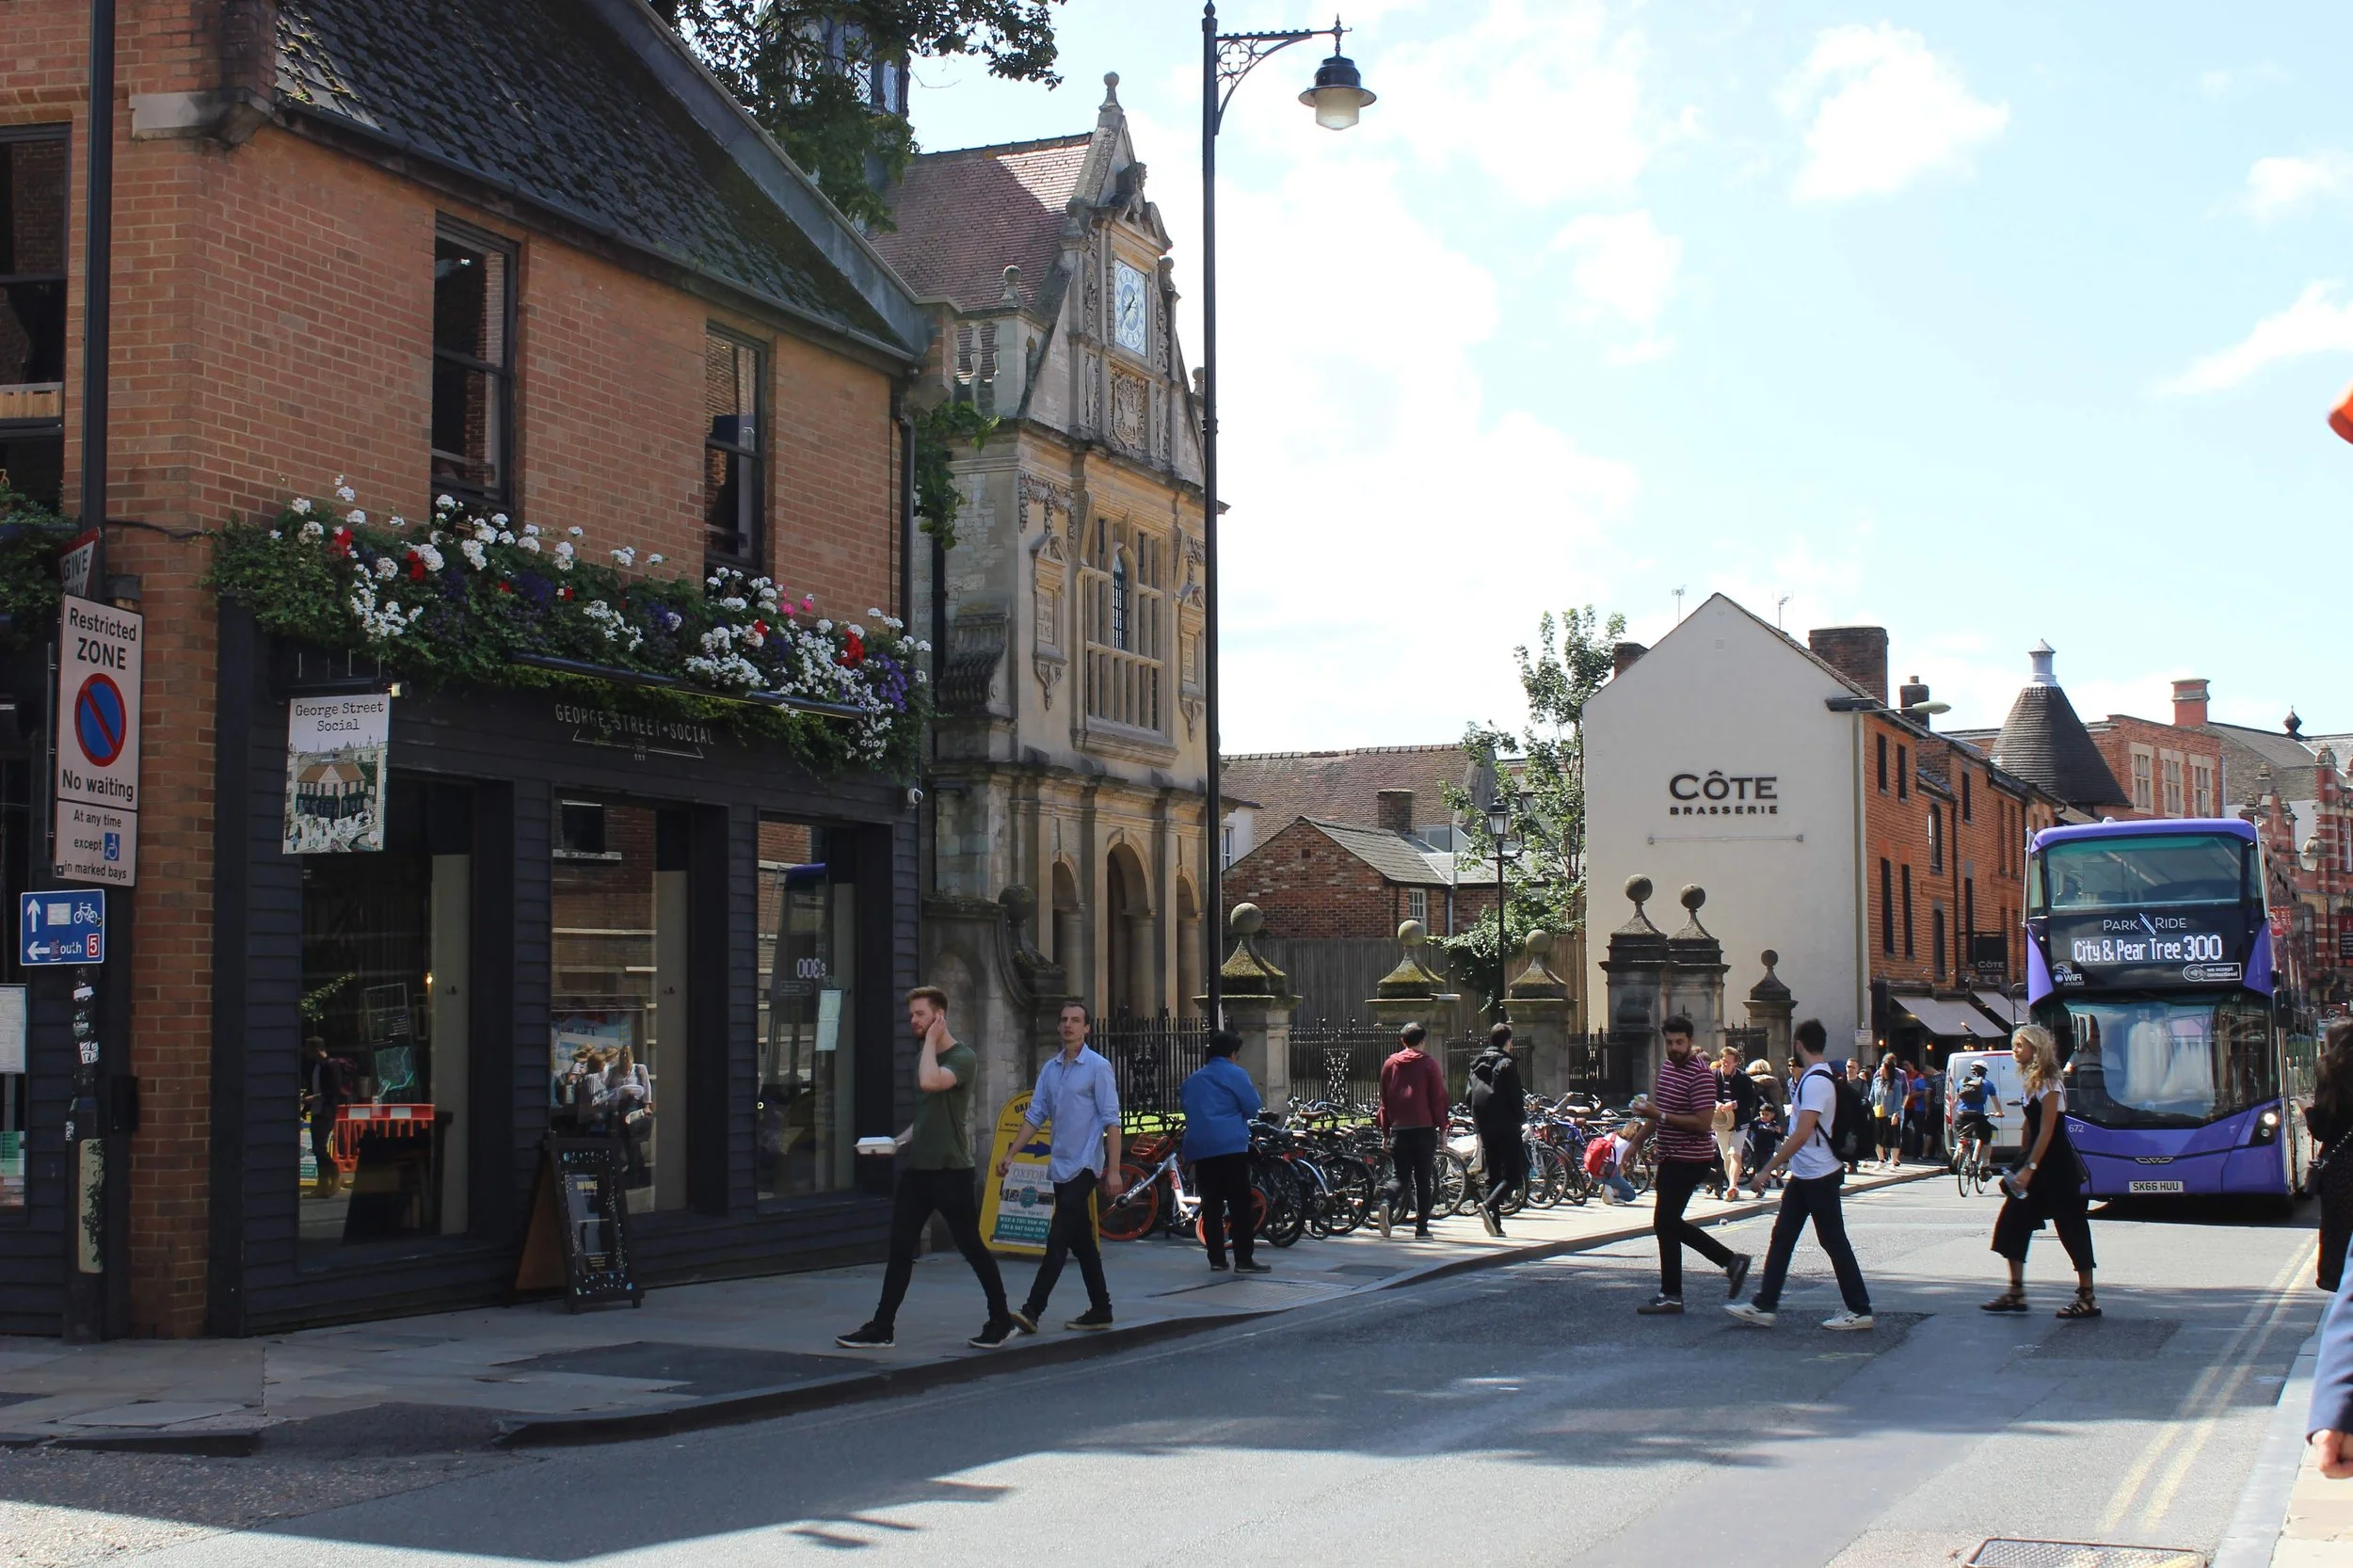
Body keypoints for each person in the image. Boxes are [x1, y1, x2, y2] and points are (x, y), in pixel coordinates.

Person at [839, 987, 1016, 1351]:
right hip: (919, 1170)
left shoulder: (962, 1057)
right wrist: (897, 1143)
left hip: (951, 1170)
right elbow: (925, 1117)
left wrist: (932, 1042)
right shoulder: (928, 1055)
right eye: (912, 1015)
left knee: (971, 1247)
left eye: (919, 1015)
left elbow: (929, 1083)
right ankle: (882, 1327)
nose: (913, 1021)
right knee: (901, 1248)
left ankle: (1001, 1319)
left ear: (938, 1016)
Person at [1725, 1018, 1876, 1332]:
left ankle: (1860, 1309)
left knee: (1833, 1241)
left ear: (1798, 1045)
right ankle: (1765, 1305)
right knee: (1783, 1238)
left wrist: (1767, 1168)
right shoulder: (1817, 1078)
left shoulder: (1817, 1081)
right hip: (1808, 1175)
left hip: (1819, 1175)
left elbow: (1802, 1132)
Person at [1000, 1000, 1124, 1334]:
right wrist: (1011, 1153)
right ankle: (1102, 1308)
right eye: (1064, 1020)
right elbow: (1035, 1115)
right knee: (1082, 1241)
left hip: (1085, 1165)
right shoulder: (1051, 1069)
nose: (1068, 1025)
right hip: (1060, 1165)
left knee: (1058, 1238)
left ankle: (1032, 1309)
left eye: (1076, 1020)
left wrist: (1112, 1170)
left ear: (1087, 1028)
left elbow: (1112, 1122)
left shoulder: (1098, 1067)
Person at [1629, 1016, 1751, 1315]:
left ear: (1690, 1041)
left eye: (1680, 1042)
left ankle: (1720, 1266)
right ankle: (1685, 1286)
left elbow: (1702, 1123)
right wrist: (1634, 1143)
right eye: (1669, 1042)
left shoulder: (1700, 1074)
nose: (1674, 1048)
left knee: (1666, 1222)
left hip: (1690, 1158)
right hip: (1670, 1156)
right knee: (1667, 1224)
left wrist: (1662, 1117)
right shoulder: (1668, 1067)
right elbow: (1658, 1111)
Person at [1981, 1024, 2098, 1320]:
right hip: (2034, 1162)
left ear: (2036, 1048)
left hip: (2056, 1166)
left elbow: (2047, 1129)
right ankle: (2016, 1292)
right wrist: (2020, 1164)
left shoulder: (2050, 1082)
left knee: (2071, 1227)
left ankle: (2087, 1298)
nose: (2014, 1050)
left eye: (2020, 1045)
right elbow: (2029, 1127)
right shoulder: (2031, 1082)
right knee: (2012, 1223)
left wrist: (2029, 1168)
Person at [1180, 1030, 1269, 1273]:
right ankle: (1243, 1259)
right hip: (1230, 1146)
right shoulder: (1236, 1074)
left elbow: (1186, 1104)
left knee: (1211, 1205)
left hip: (1201, 1148)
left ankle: (1216, 1259)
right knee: (1240, 1205)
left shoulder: (1194, 1079)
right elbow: (1252, 1107)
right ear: (1231, 1054)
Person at [1376, 1022, 1448, 1240]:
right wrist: (1443, 1128)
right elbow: (1438, 1099)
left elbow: (1384, 1100)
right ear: (1423, 1041)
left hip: (1399, 1129)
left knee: (1399, 1176)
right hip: (1424, 1129)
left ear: (1402, 1041)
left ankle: (1387, 1204)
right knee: (1423, 1180)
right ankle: (1422, 1229)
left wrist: (1386, 1132)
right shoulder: (1429, 1065)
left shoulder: (1390, 1064)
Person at [2306, 1018, 2353, 1291]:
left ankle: (2340, 1281)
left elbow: (2322, 1129)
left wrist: (2308, 1111)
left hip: (2341, 1167)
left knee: (2339, 1228)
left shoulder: (2330, 1072)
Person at [1468, 1023, 1529, 1237]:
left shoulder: (1476, 1064)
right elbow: (1515, 1097)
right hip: (1506, 1125)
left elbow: (1469, 1096)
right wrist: (1520, 1119)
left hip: (1484, 1125)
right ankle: (1489, 1204)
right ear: (1508, 1041)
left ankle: (1495, 1224)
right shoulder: (1506, 1064)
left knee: (1492, 1173)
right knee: (1515, 1173)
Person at [301, 1037, 353, 1198]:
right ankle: (322, 1186)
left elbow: (333, 1090)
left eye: (309, 1050)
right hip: (317, 1111)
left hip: (327, 1111)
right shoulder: (316, 1066)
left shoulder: (332, 1065)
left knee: (319, 1148)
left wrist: (313, 1098)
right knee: (317, 1148)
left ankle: (334, 1175)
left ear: (316, 1049)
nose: (307, 1053)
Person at [1715, 1045, 1759, 1200]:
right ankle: (1733, 1186)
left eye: (1728, 1061)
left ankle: (1733, 1186)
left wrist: (1733, 1105)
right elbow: (1705, 1095)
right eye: (1723, 1060)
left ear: (1735, 1063)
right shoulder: (1713, 1076)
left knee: (1735, 1153)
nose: (1725, 1063)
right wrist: (1717, 1104)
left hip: (1739, 1121)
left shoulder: (1744, 1078)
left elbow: (1750, 1099)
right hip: (1720, 1122)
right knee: (1726, 1156)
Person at [1952, 1064, 2003, 1178]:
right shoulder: (1988, 1084)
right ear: (1985, 1072)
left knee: (1963, 1137)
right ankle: (1984, 1168)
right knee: (1986, 1139)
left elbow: (1956, 1100)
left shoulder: (1962, 1082)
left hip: (1962, 1115)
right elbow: (1995, 1102)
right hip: (1978, 1116)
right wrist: (1999, 1112)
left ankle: (1959, 1150)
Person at [1584, 1123, 1640, 1205]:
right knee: (1631, 1195)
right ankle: (1611, 1191)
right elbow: (1622, 1169)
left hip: (1592, 1172)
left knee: (1614, 1177)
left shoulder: (1612, 1135)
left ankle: (1607, 1188)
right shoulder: (1628, 1146)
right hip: (1608, 1172)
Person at [1871, 1056, 1904, 1170]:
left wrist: (1896, 1113)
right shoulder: (1876, 1082)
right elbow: (1872, 1097)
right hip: (1877, 1113)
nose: (1880, 1070)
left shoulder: (1896, 1084)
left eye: (1882, 1067)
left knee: (1893, 1138)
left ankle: (1893, 1162)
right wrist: (1869, 1109)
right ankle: (1881, 1160)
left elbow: (1898, 1100)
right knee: (1877, 1137)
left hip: (1890, 1114)